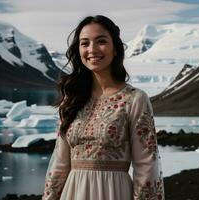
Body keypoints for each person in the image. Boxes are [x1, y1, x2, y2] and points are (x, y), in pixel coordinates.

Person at [42, 15, 164, 200]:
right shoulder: (72, 100)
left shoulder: (134, 99)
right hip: (73, 193)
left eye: (101, 41)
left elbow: (147, 165)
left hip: (114, 192)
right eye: (84, 43)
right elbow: (59, 163)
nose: (92, 49)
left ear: (115, 48)